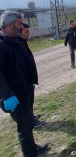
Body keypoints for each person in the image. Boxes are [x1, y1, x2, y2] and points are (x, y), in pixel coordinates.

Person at [0, 11, 48, 157]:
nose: (22, 27)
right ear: (9, 25)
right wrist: (7, 95)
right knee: (25, 127)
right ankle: (30, 154)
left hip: (26, 90)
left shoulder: (15, 39)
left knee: (29, 122)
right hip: (15, 96)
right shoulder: (2, 45)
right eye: (19, 24)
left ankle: (32, 148)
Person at [20, 23, 45, 129]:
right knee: (25, 104)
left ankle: (31, 116)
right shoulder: (17, 45)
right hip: (23, 83)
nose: (28, 34)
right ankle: (31, 122)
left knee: (30, 101)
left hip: (29, 81)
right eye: (26, 32)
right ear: (19, 32)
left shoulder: (23, 43)